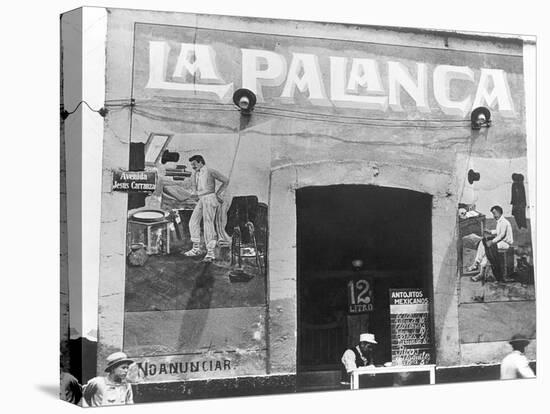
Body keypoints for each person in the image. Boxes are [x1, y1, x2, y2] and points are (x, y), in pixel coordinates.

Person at [183, 155, 229, 262]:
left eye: (194, 164)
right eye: (191, 165)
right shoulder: (195, 174)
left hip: (210, 198)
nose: (193, 166)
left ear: (200, 162)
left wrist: (218, 194)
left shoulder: (210, 171)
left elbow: (226, 180)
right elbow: (195, 188)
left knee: (208, 224)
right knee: (193, 222)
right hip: (201, 199)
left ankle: (210, 253)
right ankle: (196, 249)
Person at [468, 205, 513, 282]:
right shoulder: (500, 221)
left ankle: (479, 270)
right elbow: (498, 232)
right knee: (483, 242)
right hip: (500, 241)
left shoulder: (504, 222)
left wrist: (492, 242)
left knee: (487, 248)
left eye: (494, 213)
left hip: (505, 243)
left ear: (499, 213)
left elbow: (501, 235)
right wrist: (490, 231)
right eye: (493, 214)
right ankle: (477, 264)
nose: (494, 216)